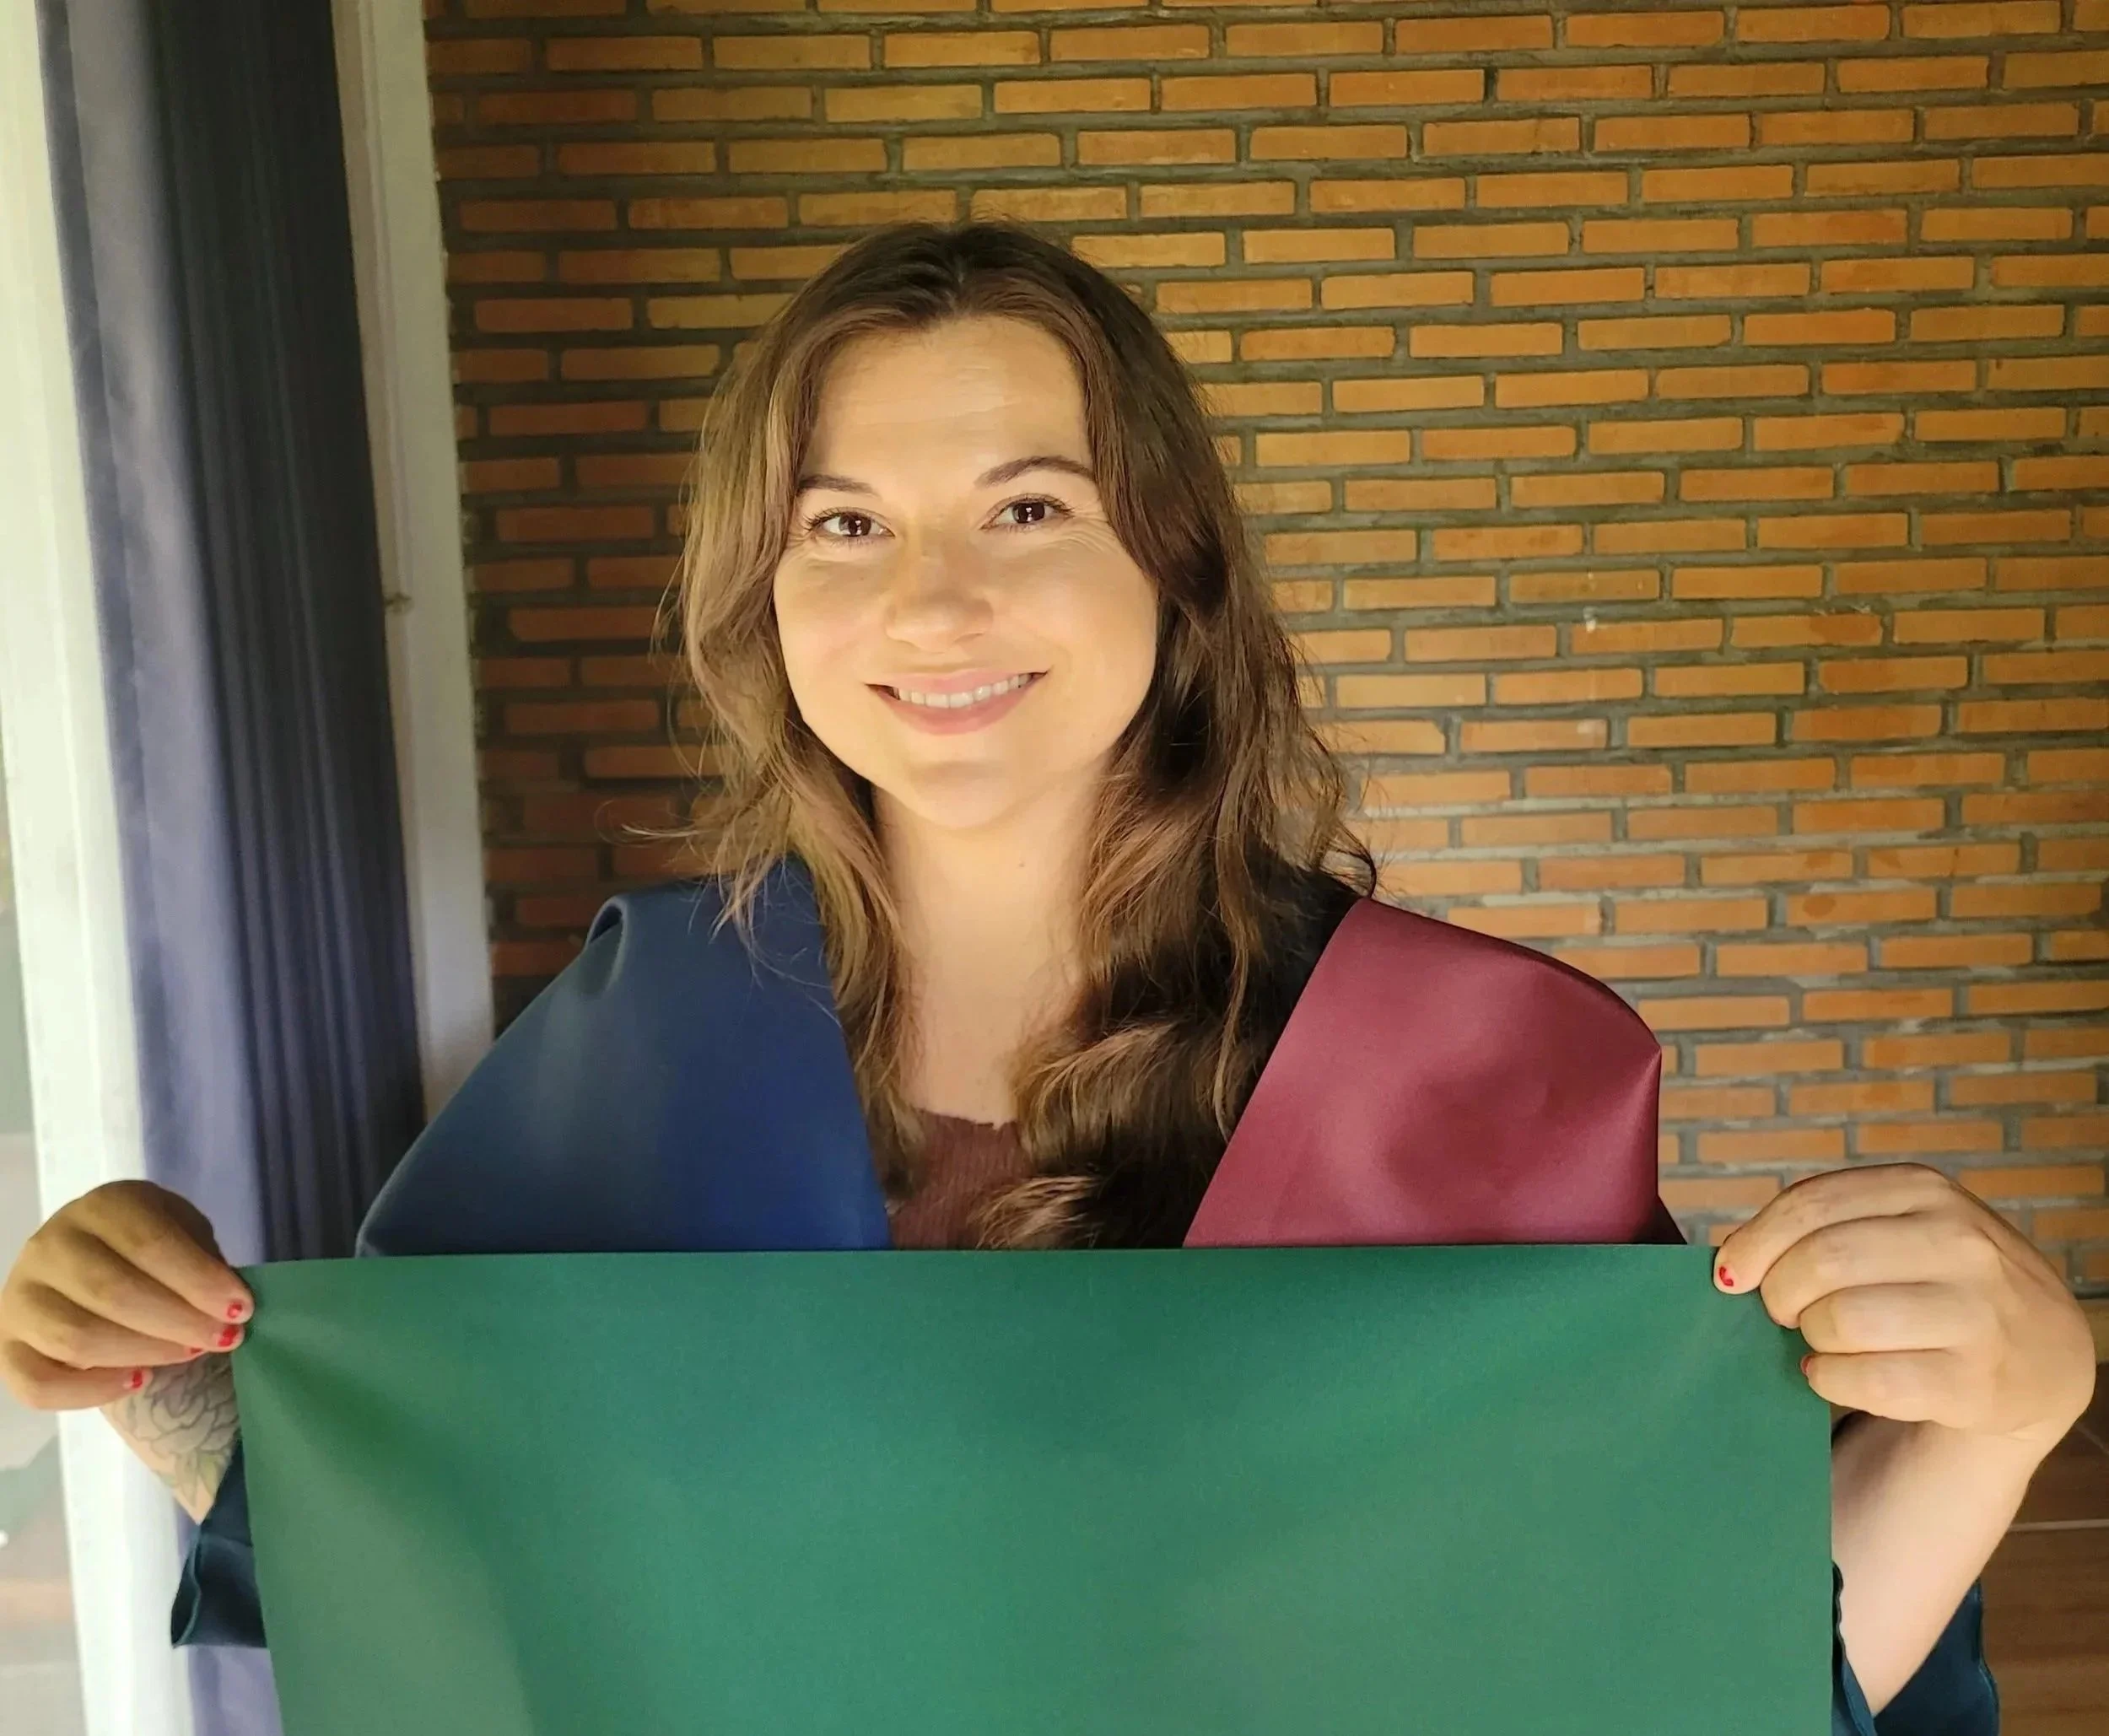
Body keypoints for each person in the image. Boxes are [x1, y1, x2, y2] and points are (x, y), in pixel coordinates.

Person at [0, 221, 2091, 1733]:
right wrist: (151, 1347)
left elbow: (1674, 1669)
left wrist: (2001, 1420)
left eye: (1025, 503)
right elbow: (457, 1572)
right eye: (842, 524)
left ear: (1167, 572)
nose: (935, 596)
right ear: (766, 597)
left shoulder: (1465, 1069)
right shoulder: (629, 1052)